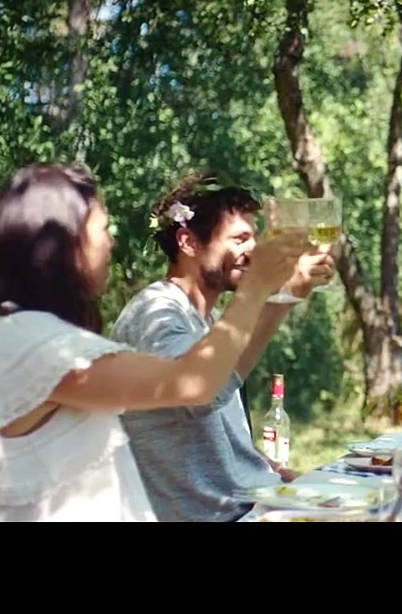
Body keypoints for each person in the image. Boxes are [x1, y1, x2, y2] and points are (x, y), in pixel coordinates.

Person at [0, 164, 307, 522]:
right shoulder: (28, 344)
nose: (111, 242)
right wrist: (257, 287)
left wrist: (276, 293)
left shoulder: (25, 333)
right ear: (64, 243)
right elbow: (194, 384)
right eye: (103, 229)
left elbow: (209, 376)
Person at [109, 172, 333, 522]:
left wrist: (260, 465)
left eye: (254, 237)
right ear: (188, 242)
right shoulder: (155, 314)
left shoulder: (207, 318)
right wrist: (262, 289)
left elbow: (220, 390)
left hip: (251, 502)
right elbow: (202, 392)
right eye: (240, 239)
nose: (253, 250)